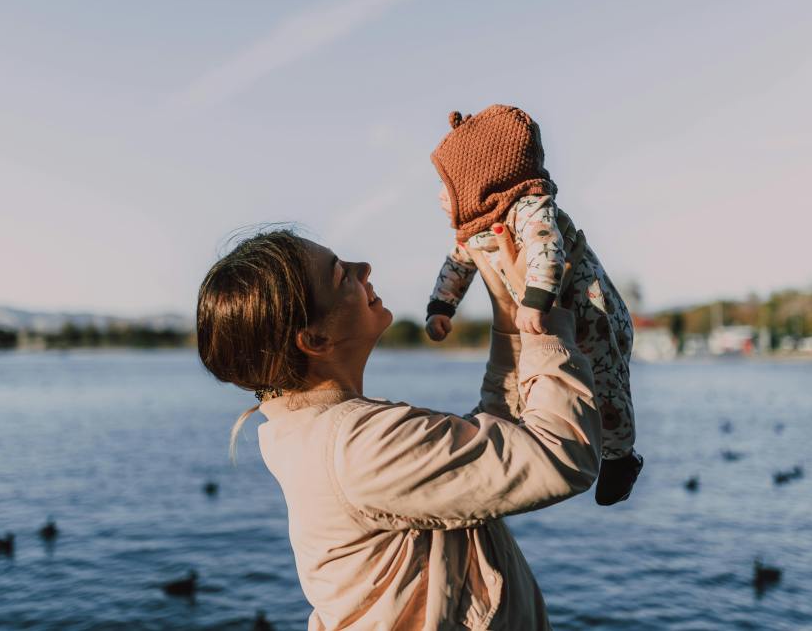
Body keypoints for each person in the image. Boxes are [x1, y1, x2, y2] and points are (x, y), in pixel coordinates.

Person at [196, 223, 602, 630]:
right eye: (341, 274)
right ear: (315, 340)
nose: (364, 267)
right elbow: (562, 453)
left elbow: (498, 434)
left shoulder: (321, 434)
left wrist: (511, 308)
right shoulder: (357, 444)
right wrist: (541, 321)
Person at [424, 104, 642, 505]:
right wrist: (441, 306)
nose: (440, 196)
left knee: (607, 388)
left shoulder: (527, 207)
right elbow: (458, 263)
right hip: (543, 322)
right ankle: (534, 439)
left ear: (482, 180)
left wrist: (535, 298)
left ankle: (619, 457)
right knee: (536, 386)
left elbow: (549, 247)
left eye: (448, 185)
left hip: (592, 316)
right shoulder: (474, 227)